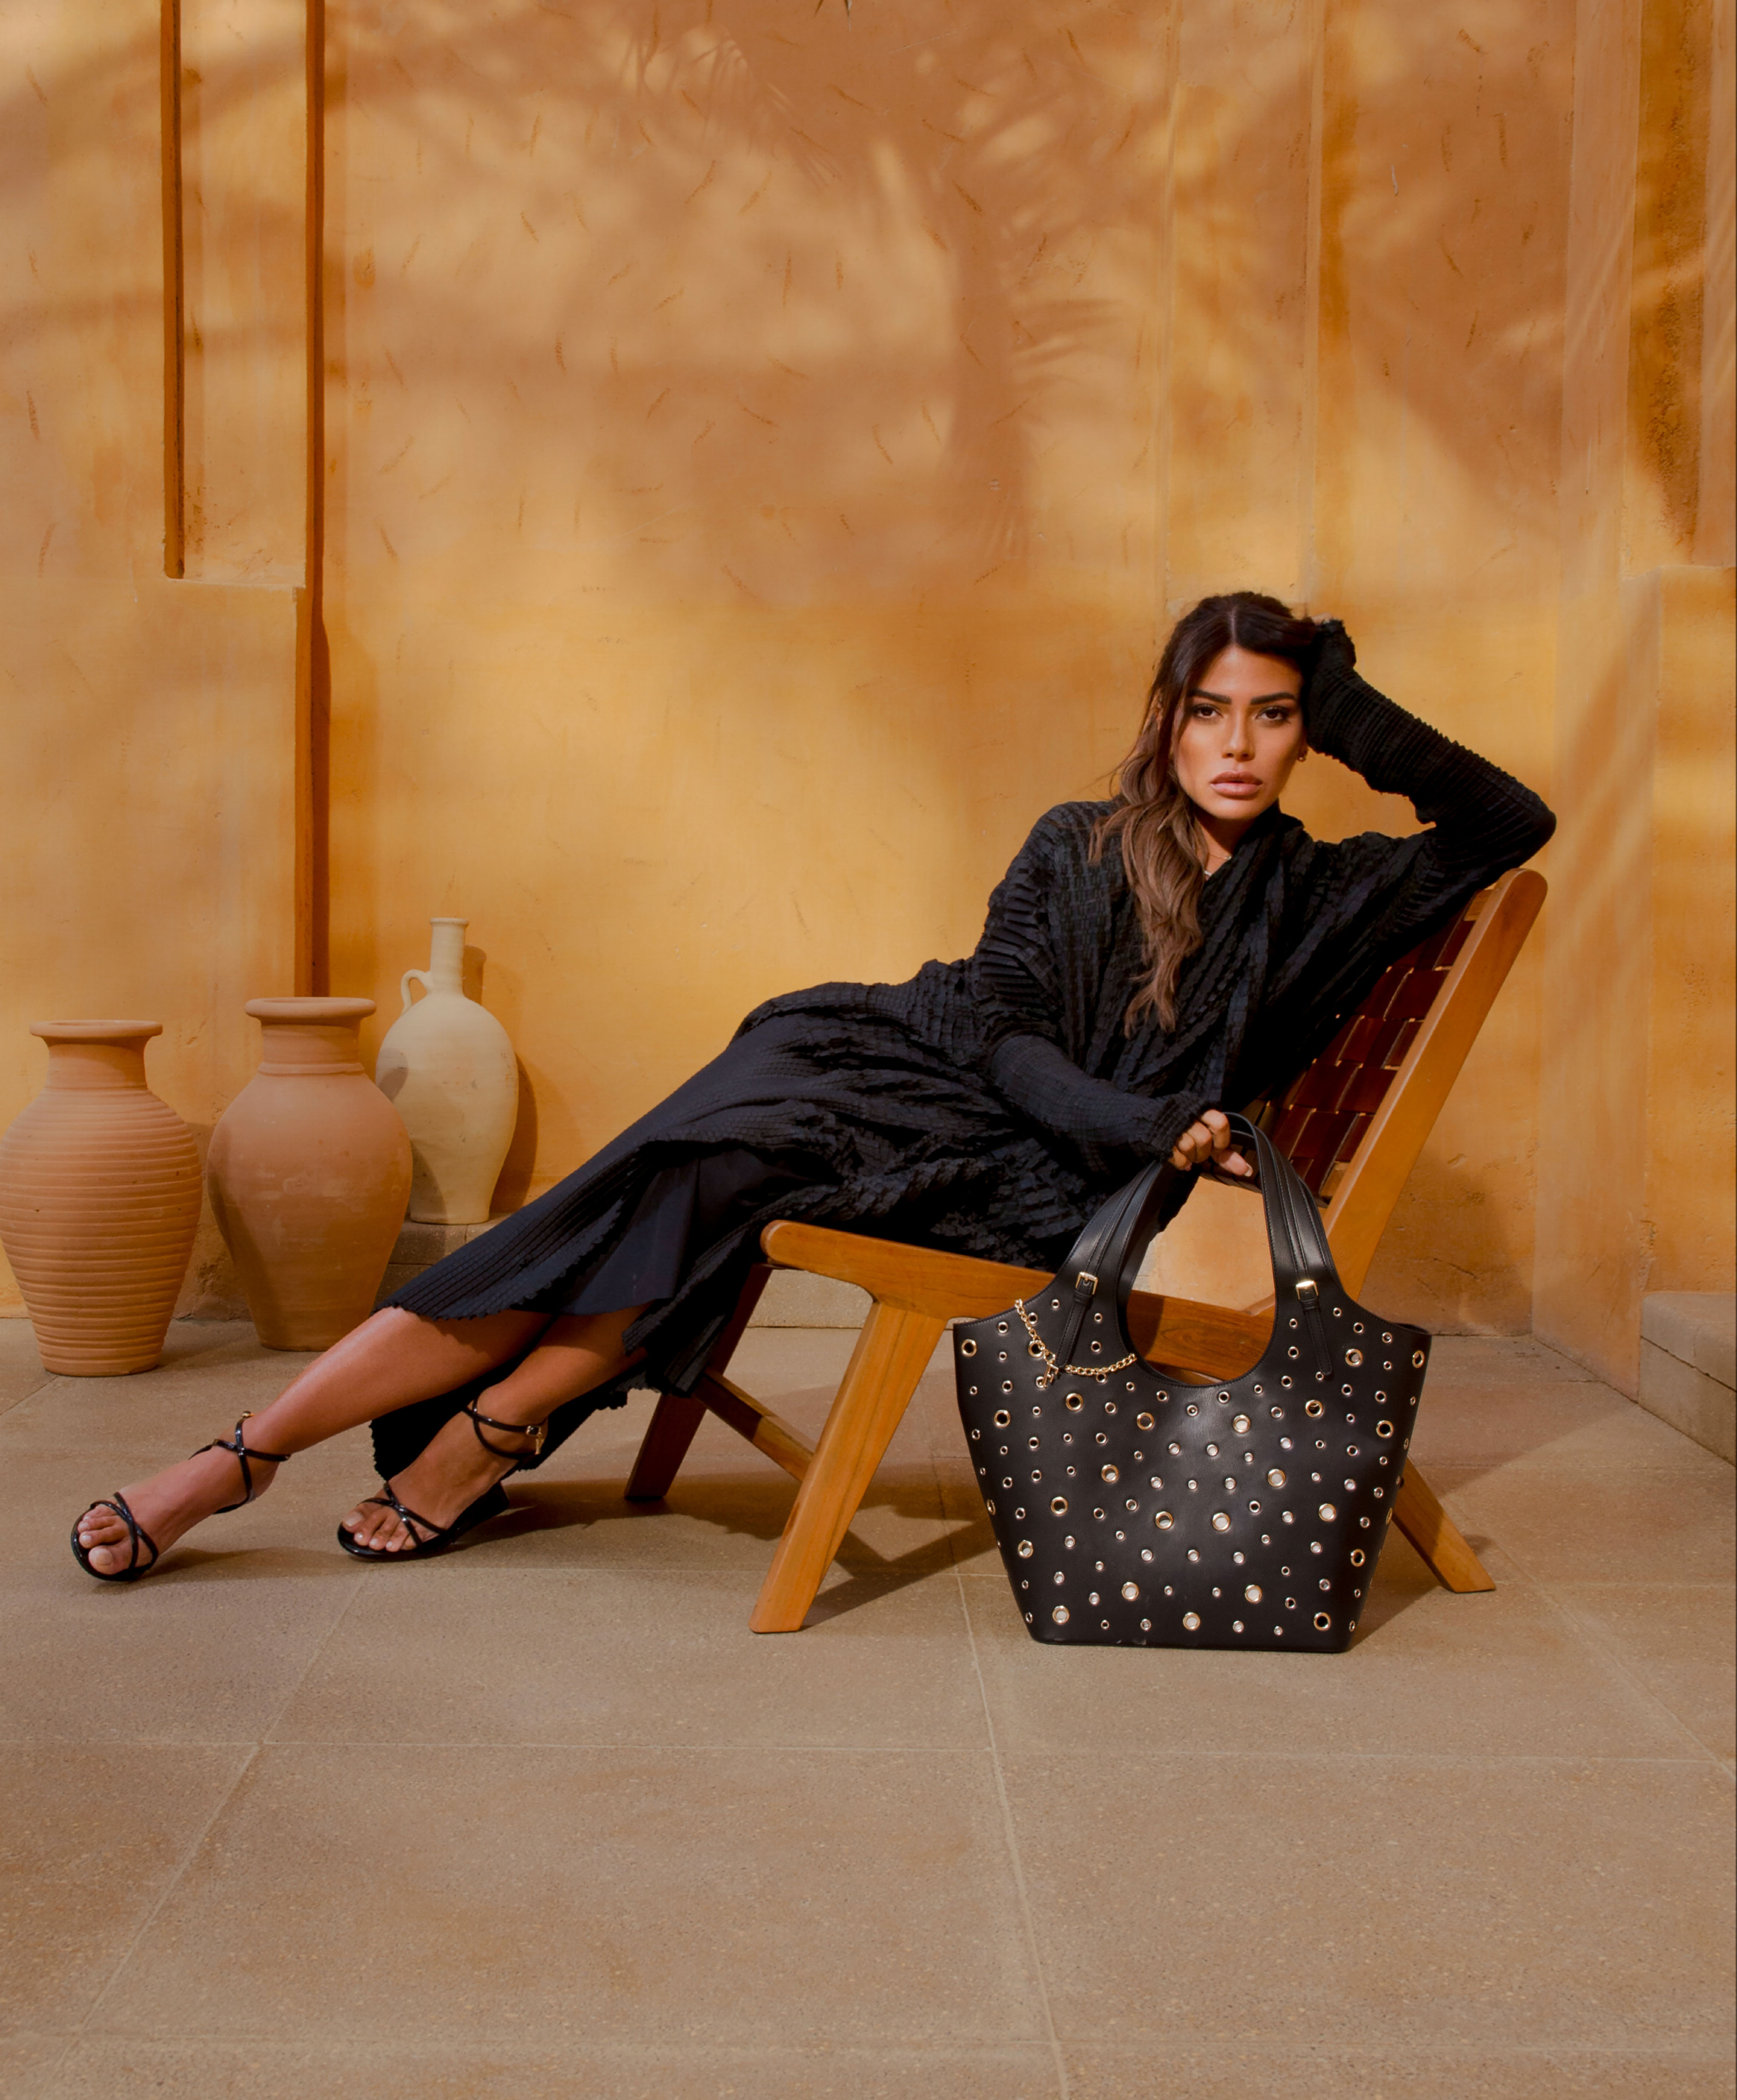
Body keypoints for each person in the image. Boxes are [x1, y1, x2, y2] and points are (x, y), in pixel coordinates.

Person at [70, 597, 1553, 1580]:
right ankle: (352, 1446)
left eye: (1275, 716)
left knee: (703, 1181)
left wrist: (1346, 693)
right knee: (691, 1170)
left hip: (1050, 1184)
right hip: (921, 1072)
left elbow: (1509, 819)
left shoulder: (1325, 896)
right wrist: (1141, 1118)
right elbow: (1003, 1031)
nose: (1239, 746)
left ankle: (306, 1451)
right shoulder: (1077, 842)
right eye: (1211, 711)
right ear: (1166, 719)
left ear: (1307, 733)